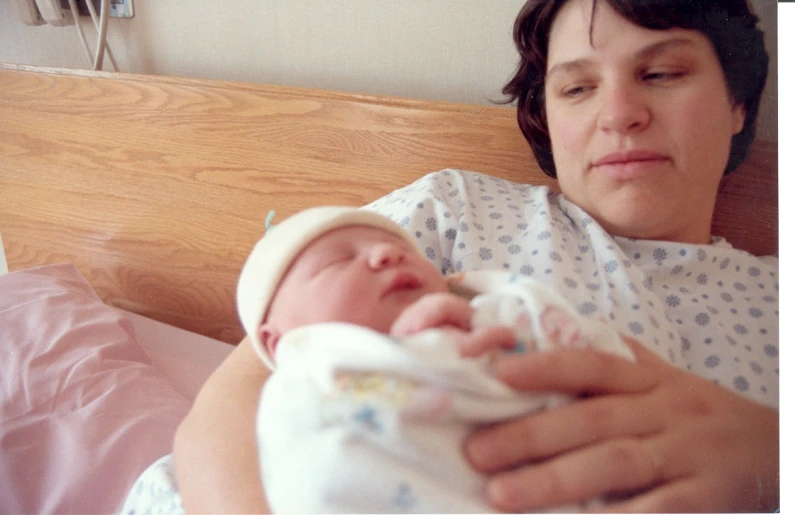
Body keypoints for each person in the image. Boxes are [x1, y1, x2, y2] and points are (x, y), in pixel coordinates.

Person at [173, 0, 779, 512]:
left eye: (662, 73)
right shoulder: (455, 209)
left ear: (738, 104)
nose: (619, 114)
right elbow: (244, 394)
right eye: (577, 88)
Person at [122, 207, 634, 513]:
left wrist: (473, 336)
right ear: (277, 342)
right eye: (341, 259)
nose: (387, 255)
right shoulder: (306, 376)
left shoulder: (481, 310)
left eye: (401, 249)